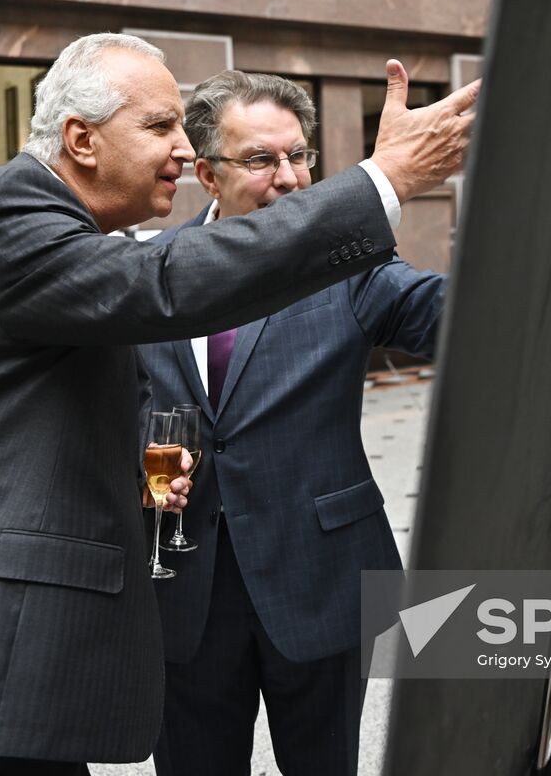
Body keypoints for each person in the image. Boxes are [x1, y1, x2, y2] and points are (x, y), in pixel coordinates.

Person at [0, 34, 478, 774]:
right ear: (80, 139)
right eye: (160, 127)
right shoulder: (11, 212)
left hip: (26, 644)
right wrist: (385, 179)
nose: (180, 148)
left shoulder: (70, 242)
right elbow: (165, 284)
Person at [136, 71, 445, 776]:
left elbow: (443, 311)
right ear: (207, 176)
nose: (291, 177)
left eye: (299, 156)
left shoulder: (348, 265)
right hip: (185, 587)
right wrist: (140, 462)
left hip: (321, 578)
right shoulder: (153, 271)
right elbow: (125, 398)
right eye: (261, 160)